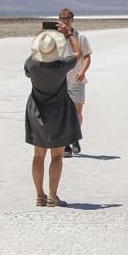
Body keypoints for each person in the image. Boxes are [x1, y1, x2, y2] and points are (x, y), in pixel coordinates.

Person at [25, 23, 83, 207]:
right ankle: (52, 195)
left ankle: (39, 196)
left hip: (36, 111)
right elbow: (78, 54)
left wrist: (40, 37)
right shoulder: (60, 65)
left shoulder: (32, 64)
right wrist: (69, 35)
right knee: (57, 155)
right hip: (58, 112)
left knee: (38, 155)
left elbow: (31, 58)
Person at [59, 8, 92, 157]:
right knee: (64, 113)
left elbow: (87, 57)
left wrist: (82, 71)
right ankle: (66, 143)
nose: (65, 21)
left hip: (77, 80)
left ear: (72, 19)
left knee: (77, 113)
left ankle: (75, 138)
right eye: (62, 18)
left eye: (68, 18)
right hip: (60, 80)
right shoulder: (56, 38)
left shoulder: (81, 37)